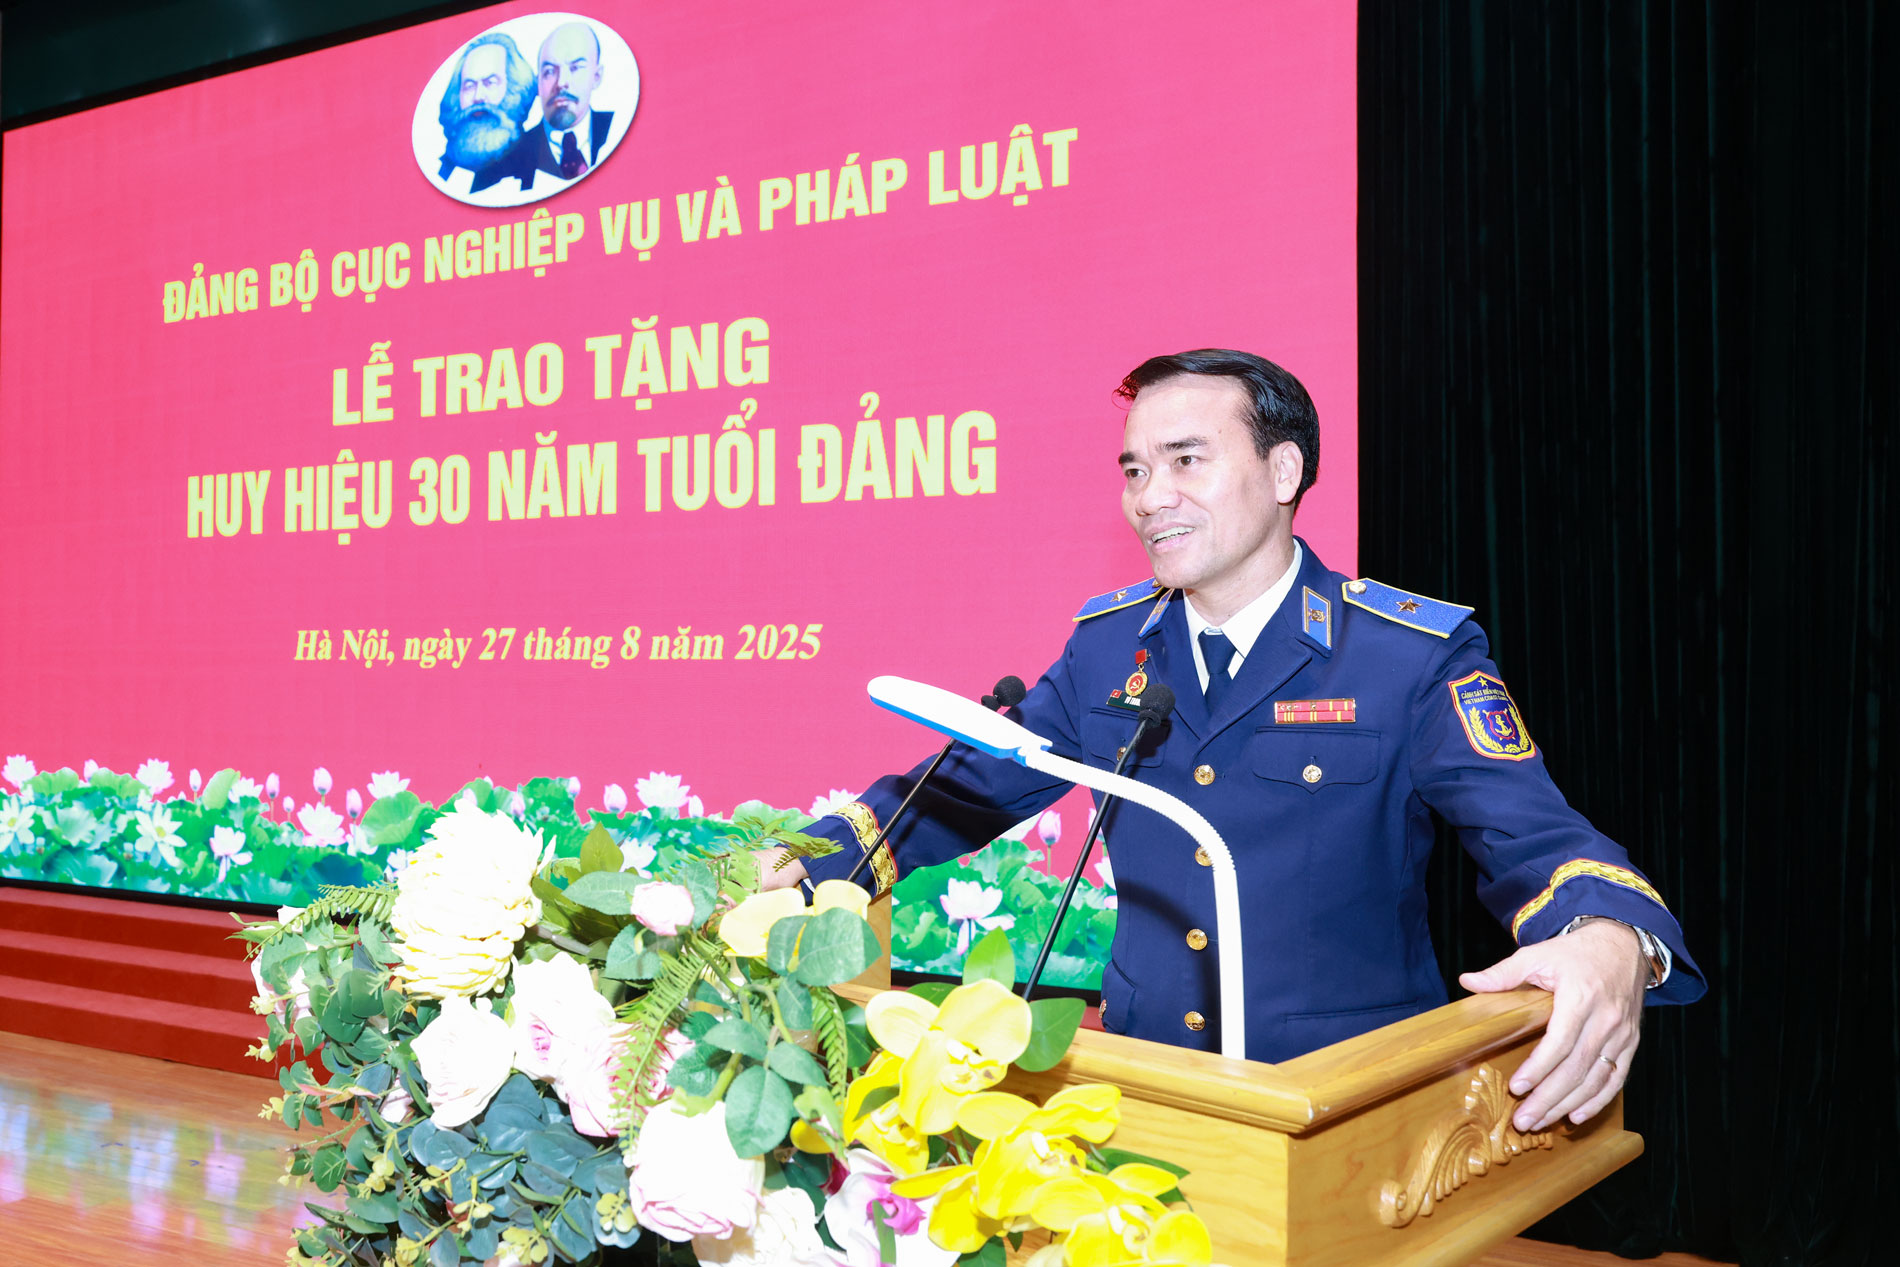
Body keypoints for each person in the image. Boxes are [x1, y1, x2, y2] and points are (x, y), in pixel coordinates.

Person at [767, 349, 1705, 1135]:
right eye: (1134, 470)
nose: (1150, 497)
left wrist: (1610, 938)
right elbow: (966, 783)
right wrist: (809, 859)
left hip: (1341, 1112)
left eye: (1185, 460)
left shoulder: (1408, 656)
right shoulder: (1108, 648)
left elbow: (1533, 832)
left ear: (1284, 472)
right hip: (1142, 1095)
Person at [504, 21, 615, 192]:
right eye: (549, 71)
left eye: (575, 68)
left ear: (597, 77)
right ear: (538, 84)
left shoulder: (620, 129)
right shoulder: (507, 159)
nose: (561, 82)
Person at [433, 32, 537, 196]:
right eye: (469, 86)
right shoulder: (440, 168)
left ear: (513, 89)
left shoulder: (537, 162)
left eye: (490, 83)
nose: (478, 96)